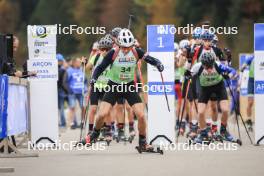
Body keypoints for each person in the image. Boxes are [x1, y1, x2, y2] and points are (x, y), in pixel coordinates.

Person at [82, 28, 164, 150]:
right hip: (114, 85)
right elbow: (99, 68)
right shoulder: (113, 53)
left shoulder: (136, 52)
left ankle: (143, 142)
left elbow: (150, 59)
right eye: (123, 47)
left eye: (128, 47)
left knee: (141, 115)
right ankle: (94, 134)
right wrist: (93, 79)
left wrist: (158, 64)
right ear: (119, 44)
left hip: (128, 86)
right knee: (102, 114)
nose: (126, 50)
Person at [187, 52, 236, 143]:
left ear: (213, 63)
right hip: (205, 88)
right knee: (201, 112)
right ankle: (203, 133)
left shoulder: (218, 65)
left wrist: (228, 76)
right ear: (203, 64)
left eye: (211, 66)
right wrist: (187, 75)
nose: (209, 69)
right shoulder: (197, 66)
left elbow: (233, 71)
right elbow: (188, 73)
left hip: (219, 86)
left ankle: (223, 131)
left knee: (225, 109)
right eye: (207, 67)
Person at [63, 57, 88, 129]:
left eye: (80, 62)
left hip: (81, 92)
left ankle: (82, 122)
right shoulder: (69, 71)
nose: (80, 63)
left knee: (83, 106)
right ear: (74, 63)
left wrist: (85, 88)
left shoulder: (81, 70)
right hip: (72, 92)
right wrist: (69, 90)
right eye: (78, 62)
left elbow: (85, 80)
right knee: (72, 107)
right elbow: (64, 82)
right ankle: (72, 123)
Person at [240, 54, 254, 131]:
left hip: (261, 80)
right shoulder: (252, 57)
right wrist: (243, 67)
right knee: (250, 102)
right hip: (252, 81)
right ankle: (249, 120)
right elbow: (242, 67)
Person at [57, 53, 67, 127]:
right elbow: (63, 82)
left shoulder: (53, 70)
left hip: (56, 90)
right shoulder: (63, 70)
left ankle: (62, 123)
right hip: (61, 90)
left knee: (60, 108)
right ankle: (63, 123)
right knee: (61, 107)